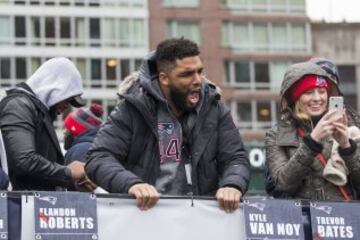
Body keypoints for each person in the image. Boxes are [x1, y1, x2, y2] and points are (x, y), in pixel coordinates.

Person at [85, 38, 250, 212]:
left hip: (202, 219)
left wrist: (233, 184)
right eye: (186, 74)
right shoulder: (132, 108)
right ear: (164, 78)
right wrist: (132, 185)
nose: (198, 80)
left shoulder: (215, 108)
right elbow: (99, 157)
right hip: (146, 218)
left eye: (200, 71)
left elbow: (235, 157)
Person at [265, 61, 360, 200]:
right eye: (308, 92)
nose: (317, 98)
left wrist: (346, 147)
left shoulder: (351, 125)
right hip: (302, 217)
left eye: (322, 92)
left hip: (344, 218)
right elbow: (282, 185)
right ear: (295, 98)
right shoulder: (276, 134)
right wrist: (312, 142)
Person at [0, 57, 90, 191]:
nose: (67, 106)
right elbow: (24, 161)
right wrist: (68, 172)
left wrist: (71, 182)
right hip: (19, 206)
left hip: (30, 205)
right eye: (67, 99)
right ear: (54, 87)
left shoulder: (37, 111)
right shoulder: (19, 106)